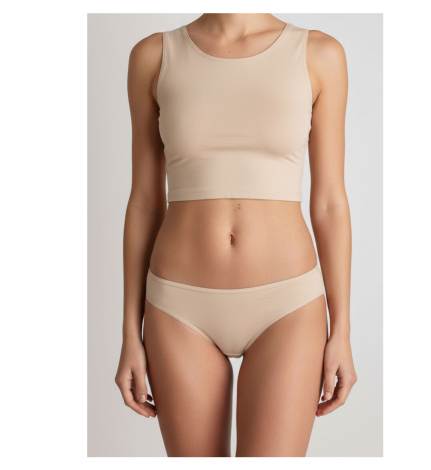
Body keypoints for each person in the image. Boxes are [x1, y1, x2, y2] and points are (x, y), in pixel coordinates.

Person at [115, 13, 357, 457]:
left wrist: (341, 328)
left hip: (288, 305)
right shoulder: (153, 56)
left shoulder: (320, 53)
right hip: (178, 307)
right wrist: (131, 330)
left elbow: (330, 203)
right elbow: (145, 202)